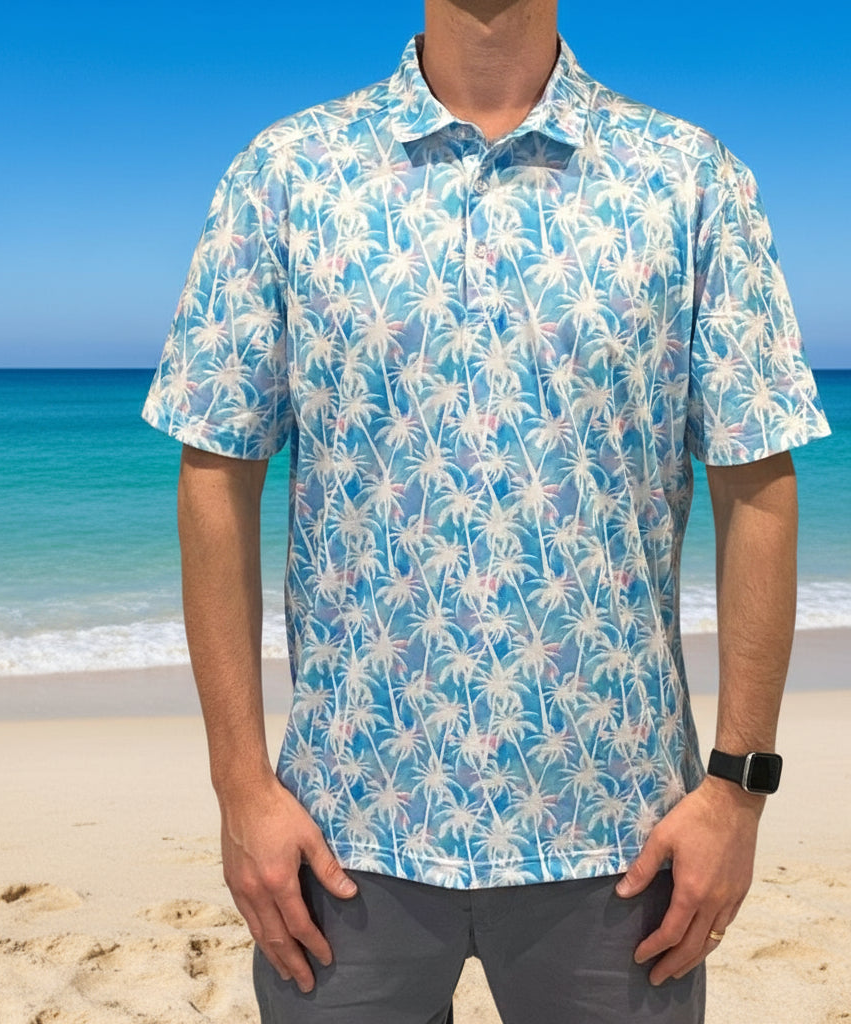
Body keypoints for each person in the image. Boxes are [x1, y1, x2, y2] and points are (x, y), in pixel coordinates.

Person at [141, 1, 831, 1020]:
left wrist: (735, 791)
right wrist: (240, 788)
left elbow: (756, 481)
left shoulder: (685, 178)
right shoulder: (287, 174)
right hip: (341, 834)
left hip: (621, 837)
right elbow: (217, 470)